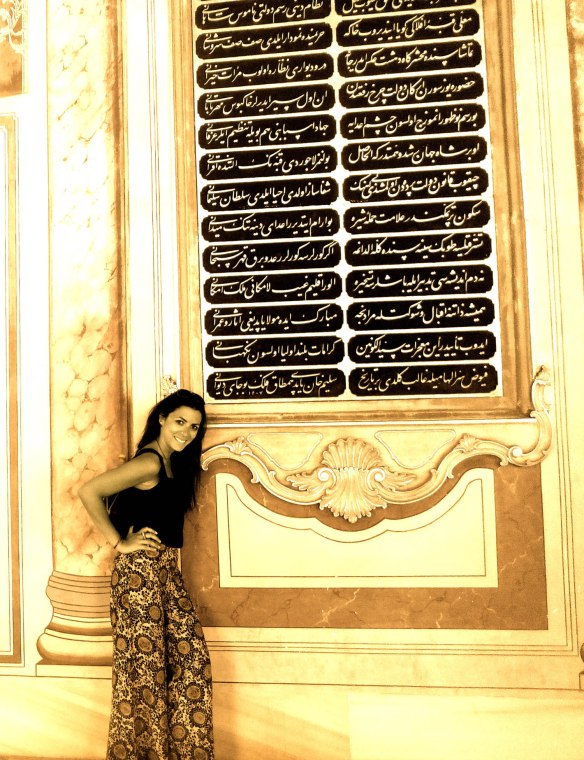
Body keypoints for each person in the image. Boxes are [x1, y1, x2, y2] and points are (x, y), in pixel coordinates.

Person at [79, 389, 214, 760]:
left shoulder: (172, 464)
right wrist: (120, 542)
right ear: (162, 419)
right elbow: (89, 491)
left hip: (165, 574)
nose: (186, 432)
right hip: (138, 577)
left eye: (194, 427)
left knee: (191, 663)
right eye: (180, 421)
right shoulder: (150, 463)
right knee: (145, 676)